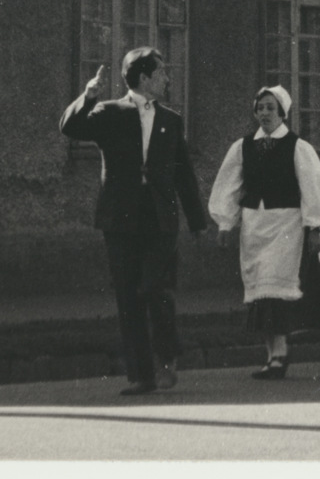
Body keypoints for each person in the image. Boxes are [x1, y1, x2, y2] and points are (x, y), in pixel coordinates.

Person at [59, 48, 207, 396]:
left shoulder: (171, 120)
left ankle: (166, 357)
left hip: (160, 217)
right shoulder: (110, 112)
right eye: (162, 73)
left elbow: (184, 173)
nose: (168, 79)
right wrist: (88, 95)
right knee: (128, 295)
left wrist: (197, 221)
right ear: (143, 78)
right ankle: (142, 375)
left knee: (155, 287)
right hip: (120, 216)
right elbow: (70, 127)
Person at [208, 86, 320, 380]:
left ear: (282, 113)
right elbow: (229, 185)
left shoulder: (298, 147)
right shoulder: (243, 146)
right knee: (259, 286)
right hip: (254, 225)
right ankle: (270, 356)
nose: (264, 113)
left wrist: (313, 227)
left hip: (286, 224)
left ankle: (281, 352)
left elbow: (311, 188)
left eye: (270, 108)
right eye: (260, 108)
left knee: (276, 286)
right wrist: (225, 223)